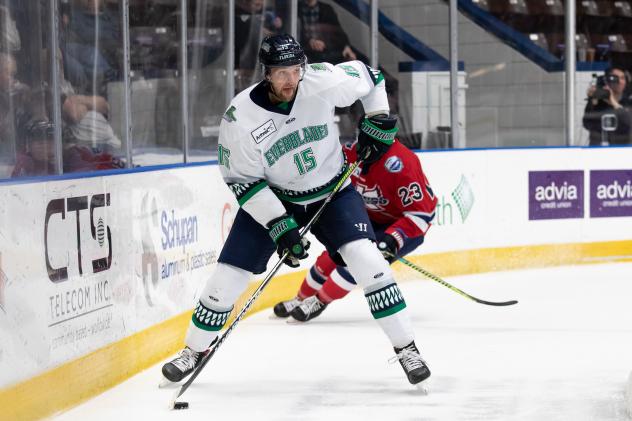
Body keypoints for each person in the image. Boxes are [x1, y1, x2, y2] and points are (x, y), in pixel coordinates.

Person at [162, 33, 431, 387]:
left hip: (333, 191)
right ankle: (193, 351)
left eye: (295, 70)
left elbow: (371, 77)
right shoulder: (240, 117)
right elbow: (244, 182)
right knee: (227, 277)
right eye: (281, 73)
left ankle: (407, 349)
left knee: (368, 260)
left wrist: (379, 119)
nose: (291, 80)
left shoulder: (319, 80)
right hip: (276, 196)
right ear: (266, 73)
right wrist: (280, 226)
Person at [273, 136, 437, 322]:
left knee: (360, 264)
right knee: (329, 259)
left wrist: (394, 238)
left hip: (403, 224)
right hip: (369, 217)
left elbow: (421, 214)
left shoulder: (402, 162)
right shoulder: (350, 151)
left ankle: (319, 301)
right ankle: (299, 299)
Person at [582, 66, 632, 146]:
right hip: (599, 148)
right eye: (615, 78)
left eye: (622, 78)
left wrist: (613, 102)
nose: (619, 81)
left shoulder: (628, 102)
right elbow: (587, 124)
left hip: (623, 149)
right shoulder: (599, 103)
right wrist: (592, 101)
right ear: (608, 81)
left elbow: (628, 123)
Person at [298, 0, 356, 64]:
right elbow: (293, 34)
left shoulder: (326, 9)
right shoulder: (295, 8)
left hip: (325, 53)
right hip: (304, 53)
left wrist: (346, 46)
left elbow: (338, 32)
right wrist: (310, 41)